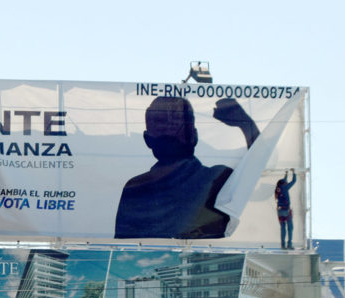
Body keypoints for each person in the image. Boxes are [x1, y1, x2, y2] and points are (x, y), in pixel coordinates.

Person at [114, 96, 260, 239]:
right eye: (161, 124)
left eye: (178, 125)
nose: (170, 131)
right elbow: (124, 247)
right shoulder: (135, 189)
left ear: (194, 136)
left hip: (205, 260)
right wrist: (246, 124)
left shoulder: (217, 178)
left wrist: (246, 124)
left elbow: (259, 170)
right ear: (147, 139)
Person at [274, 169, 297, 249]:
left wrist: (286, 174)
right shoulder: (285, 187)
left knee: (283, 228)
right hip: (286, 210)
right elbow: (294, 181)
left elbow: (284, 181)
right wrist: (294, 172)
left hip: (279, 211)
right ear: (284, 184)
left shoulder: (277, 189)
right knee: (290, 228)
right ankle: (289, 244)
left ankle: (283, 245)